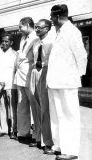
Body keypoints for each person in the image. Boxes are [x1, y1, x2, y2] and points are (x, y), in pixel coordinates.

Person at [47, 4, 87, 160]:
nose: (50, 19)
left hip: (67, 81)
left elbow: (81, 56)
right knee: (57, 115)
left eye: (51, 17)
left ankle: (70, 151)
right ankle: (59, 146)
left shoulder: (72, 32)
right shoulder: (57, 32)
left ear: (57, 16)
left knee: (69, 116)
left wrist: (76, 76)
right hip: (55, 81)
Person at [29, 19, 54, 153]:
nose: (37, 29)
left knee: (45, 109)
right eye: (36, 27)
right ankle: (38, 137)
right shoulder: (35, 42)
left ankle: (47, 142)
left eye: (39, 27)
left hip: (46, 72)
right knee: (36, 107)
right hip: (35, 72)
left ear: (47, 28)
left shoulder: (52, 41)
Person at [13, 17, 39, 143]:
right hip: (20, 77)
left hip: (30, 77)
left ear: (28, 25)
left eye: (20, 27)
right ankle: (23, 132)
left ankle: (36, 135)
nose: (19, 30)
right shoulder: (23, 38)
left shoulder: (36, 38)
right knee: (22, 105)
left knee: (34, 106)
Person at [0, 33, 18, 139]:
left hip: (11, 85)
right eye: (3, 41)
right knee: (1, 107)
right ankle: (3, 129)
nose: (4, 43)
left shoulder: (15, 54)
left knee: (12, 108)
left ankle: (13, 130)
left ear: (11, 43)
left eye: (6, 41)